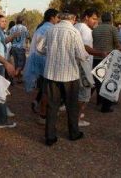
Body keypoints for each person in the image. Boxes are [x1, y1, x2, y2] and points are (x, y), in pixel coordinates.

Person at [38, 12, 89, 146]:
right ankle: (73, 133)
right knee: (71, 106)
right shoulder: (74, 32)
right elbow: (81, 55)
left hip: (51, 74)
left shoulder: (50, 30)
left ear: (60, 18)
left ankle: (50, 136)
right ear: (73, 19)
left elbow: (39, 49)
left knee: (52, 106)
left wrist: (50, 53)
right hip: (70, 75)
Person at [24, 9, 59, 123]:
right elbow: (41, 47)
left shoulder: (42, 27)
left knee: (45, 87)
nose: (58, 20)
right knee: (47, 89)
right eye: (57, 17)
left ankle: (40, 107)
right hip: (44, 62)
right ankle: (43, 114)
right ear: (52, 17)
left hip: (39, 60)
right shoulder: (49, 29)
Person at [75, 9, 105, 126]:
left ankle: (74, 116)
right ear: (86, 17)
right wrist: (100, 53)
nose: (95, 21)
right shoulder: (86, 30)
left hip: (76, 65)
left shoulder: (76, 26)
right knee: (84, 95)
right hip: (84, 65)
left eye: (96, 19)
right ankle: (77, 119)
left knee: (76, 92)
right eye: (93, 18)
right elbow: (85, 47)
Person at [92, 12, 121, 113]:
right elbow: (117, 43)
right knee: (108, 81)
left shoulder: (95, 29)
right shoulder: (113, 29)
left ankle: (99, 101)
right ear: (111, 19)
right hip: (108, 57)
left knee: (98, 82)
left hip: (95, 57)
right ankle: (106, 106)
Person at [9, 16, 29, 83]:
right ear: (22, 21)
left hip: (14, 47)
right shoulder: (24, 28)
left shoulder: (12, 28)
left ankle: (19, 78)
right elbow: (27, 36)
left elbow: (10, 37)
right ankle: (14, 75)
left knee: (17, 63)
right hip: (20, 47)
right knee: (22, 63)